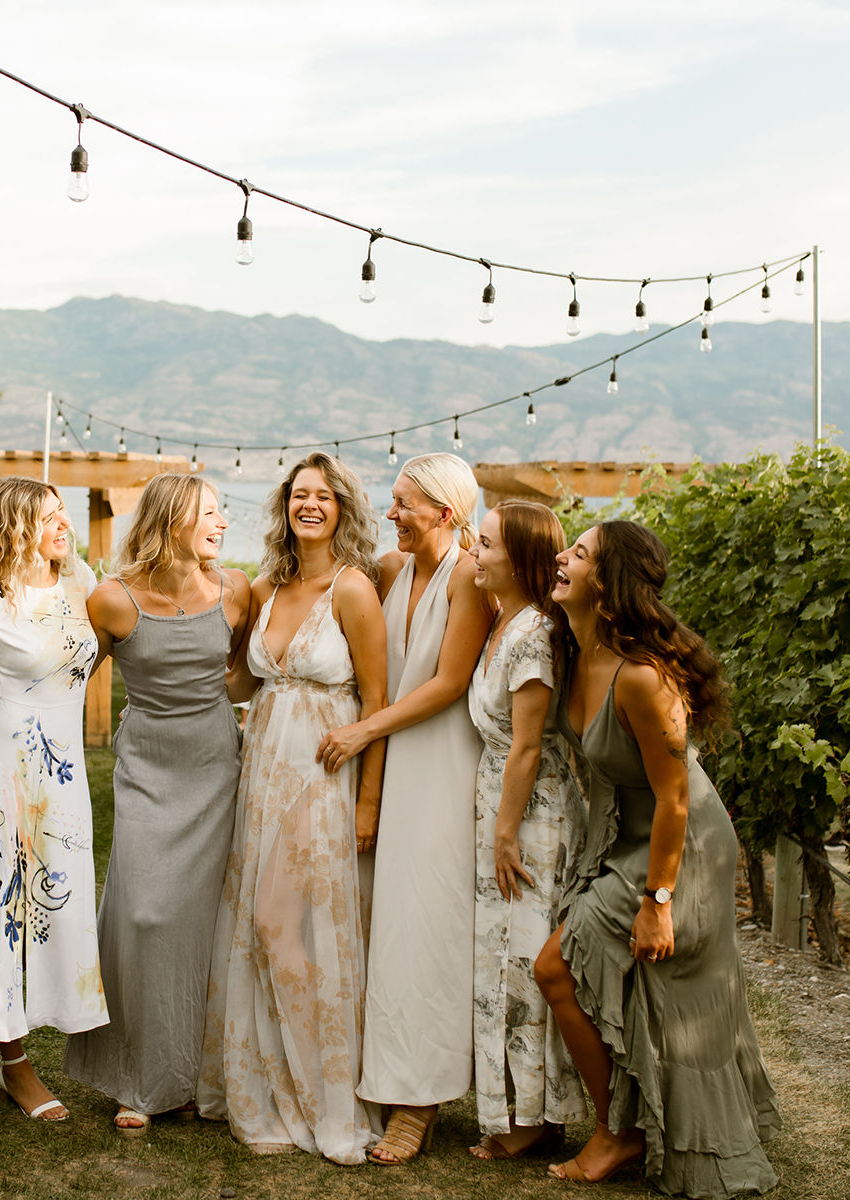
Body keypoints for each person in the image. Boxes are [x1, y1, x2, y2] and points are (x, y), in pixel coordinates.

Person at [535, 520, 780, 1195]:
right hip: (627, 836)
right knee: (589, 973)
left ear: (606, 583)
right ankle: (629, 1125)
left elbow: (674, 799)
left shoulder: (642, 678)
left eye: (579, 552)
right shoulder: (572, 649)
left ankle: (617, 1134)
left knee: (555, 966)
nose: (561, 555)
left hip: (684, 846)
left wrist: (658, 903)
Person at [197, 452, 388, 1165]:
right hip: (263, 771)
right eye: (299, 494)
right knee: (261, 926)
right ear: (284, 506)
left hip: (323, 775)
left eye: (324, 496)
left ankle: (325, 1097)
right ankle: (266, 1084)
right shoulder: (265, 587)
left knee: (285, 926)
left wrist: (368, 803)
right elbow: (240, 683)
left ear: (342, 509)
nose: (310, 504)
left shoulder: (353, 590)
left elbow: (378, 702)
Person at [314, 453, 492, 1164]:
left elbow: (448, 682)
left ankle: (418, 1103)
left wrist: (363, 730)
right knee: (380, 926)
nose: (390, 514)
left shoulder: (469, 576)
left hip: (441, 766)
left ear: (445, 513)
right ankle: (381, 1077)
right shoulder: (391, 570)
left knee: (425, 930)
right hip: (389, 765)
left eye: (402, 503)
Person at [63, 474, 249, 1137]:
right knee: (143, 915)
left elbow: (244, 672)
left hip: (215, 767)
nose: (221, 523)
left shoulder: (236, 590)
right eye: (209, 512)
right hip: (147, 767)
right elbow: (66, 678)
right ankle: (137, 1075)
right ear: (173, 521)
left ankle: (191, 1077)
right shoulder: (112, 600)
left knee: (201, 925)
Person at [0, 475, 108, 1121]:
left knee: (61, 899)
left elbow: (87, 657)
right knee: (5, 901)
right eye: (49, 516)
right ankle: (13, 1062)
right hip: (5, 767)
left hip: (63, 767)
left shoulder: (81, 583)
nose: (63, 524)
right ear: (16, 526)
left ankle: (46, 1027)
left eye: (63, 512)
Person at [467, 500, 587, 1161]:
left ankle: (537, 1116)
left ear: (519, 559)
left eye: (486, 544)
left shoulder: (535, 634)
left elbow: (527, 745)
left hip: (533, 817)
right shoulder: (502, 620)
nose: (475, 553)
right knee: (500, 956)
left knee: (523, 959)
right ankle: (514, 1104)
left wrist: (505, 834)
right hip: (502, 806)